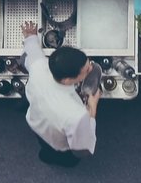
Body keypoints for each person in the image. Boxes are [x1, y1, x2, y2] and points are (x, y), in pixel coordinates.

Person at [19, 20, 100, 167]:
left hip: (37, 125)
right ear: (68, 80)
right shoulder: (77, 116)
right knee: (66, 159)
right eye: (86, 70)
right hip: (60, 143)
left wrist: (31, 36)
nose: (91, 69)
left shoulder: (39, 67)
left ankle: (46, 156)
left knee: (44, 149)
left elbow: (29, 54)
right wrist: (92, 108)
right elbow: (83, 151)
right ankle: (57, 161)